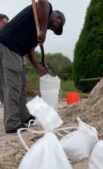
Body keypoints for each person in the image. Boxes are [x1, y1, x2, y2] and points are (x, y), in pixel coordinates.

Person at [0, 0, 65, 133]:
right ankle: (12, 124)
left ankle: (24, 117)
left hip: (14, 51)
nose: (52, 29)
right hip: (8, 46)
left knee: (20, 84)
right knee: (13, 86)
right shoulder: (46, 9)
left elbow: (30, 52)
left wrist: (39, 69)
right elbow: (43, 2)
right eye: (56, 27)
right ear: (57, 16)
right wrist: (43, 31)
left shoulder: (38, 28)